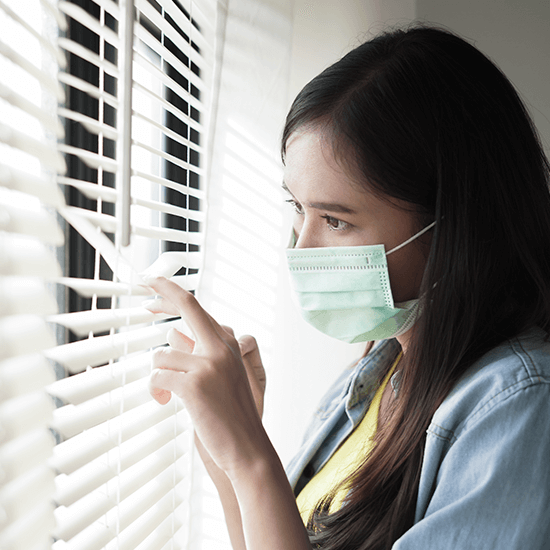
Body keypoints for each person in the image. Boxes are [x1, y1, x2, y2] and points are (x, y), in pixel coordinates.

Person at [144, 25, 550, 549]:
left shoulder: (520, 408)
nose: (302, 249)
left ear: (454, 225)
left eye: (336, 220)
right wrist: (227, 453)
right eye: (298, 208)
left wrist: (250, 457)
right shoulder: (379, 370)